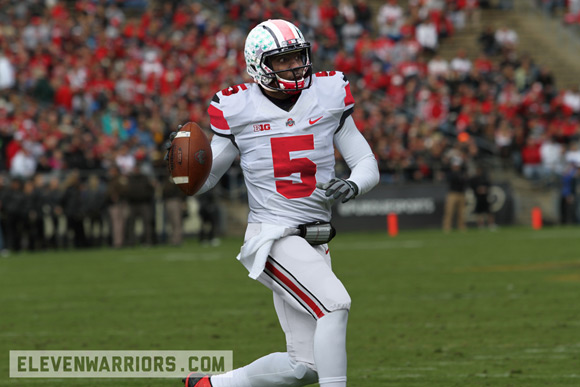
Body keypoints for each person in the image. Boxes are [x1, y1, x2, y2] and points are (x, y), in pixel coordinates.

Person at [171, 19, 379, 387]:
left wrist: (353, 185)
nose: (294, 66)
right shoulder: (238, 106)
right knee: (335, 304)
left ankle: (208, 386)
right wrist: (185, 170)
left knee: (305, 367)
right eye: (281, 61)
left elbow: (366, 163)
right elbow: (204, 182)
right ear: (257, 65)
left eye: (297, 57)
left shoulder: (328, 93)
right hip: (273, 236)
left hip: (315, 240)